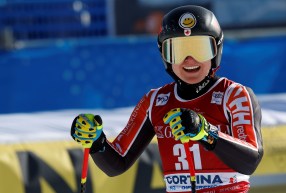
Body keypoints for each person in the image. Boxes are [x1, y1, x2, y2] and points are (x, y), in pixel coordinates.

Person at [71, 5, 263, 193]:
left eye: (200, 49)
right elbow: (118, 164)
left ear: (216, 51)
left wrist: (206, 133)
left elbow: (250, 160)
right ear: (165, 56)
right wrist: (98, 142)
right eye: (178, 50)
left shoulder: (234, 95)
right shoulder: (155, 101)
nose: (189, 60)